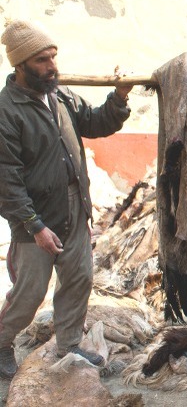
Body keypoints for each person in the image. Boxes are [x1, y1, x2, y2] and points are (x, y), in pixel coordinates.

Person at [0, 20, 134, 379]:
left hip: (75, 207)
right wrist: (35, 227)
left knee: (79, 279)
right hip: (36, 220)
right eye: (43, 60)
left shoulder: (61, 96)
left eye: (54, 57)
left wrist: (119, 97)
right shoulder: (7, 111)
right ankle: (1, 340)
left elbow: (95, 123)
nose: (52, 66)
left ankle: (70, 344)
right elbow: (7, 181)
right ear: (21, 64)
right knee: (29, 294)